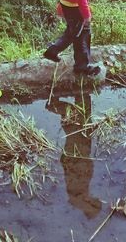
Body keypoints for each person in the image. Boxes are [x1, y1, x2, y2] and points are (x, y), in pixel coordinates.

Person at [46, 88, 103, 218]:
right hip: (79, 152)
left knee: (77, 116)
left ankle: (55, 103)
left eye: (95, 202)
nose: (95, 199)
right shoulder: (80, 195)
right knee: (81, 116)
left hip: (76, 153)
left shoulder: (78, 194)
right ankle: (80, 92)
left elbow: (73, 171)